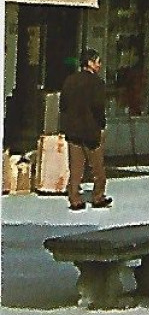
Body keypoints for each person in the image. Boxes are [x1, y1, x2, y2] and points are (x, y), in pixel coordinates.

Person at [60, 49, 109, 211]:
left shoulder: (69, 81)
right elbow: (98, 107)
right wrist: (101, 125)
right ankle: (98, 196)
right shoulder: (97, 83)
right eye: (97, 61)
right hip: (91, 130)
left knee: (75, 168)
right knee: (97, 167)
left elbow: (63, 105)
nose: (99, 65)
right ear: (89, 62)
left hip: (73, 130)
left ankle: (75, 199)